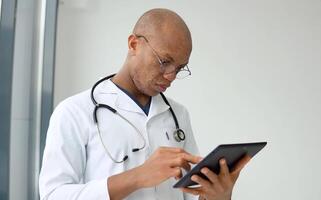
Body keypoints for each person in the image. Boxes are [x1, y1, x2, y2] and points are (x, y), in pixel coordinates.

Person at [39, 8, 251, 200]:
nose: (170, 76)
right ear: (134, 44)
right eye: (165, 62)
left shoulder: (178, 115)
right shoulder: (74, 112)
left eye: (179, 68)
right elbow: (53, 195)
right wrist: (138, 177)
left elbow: (190, 196)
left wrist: (218, 197)